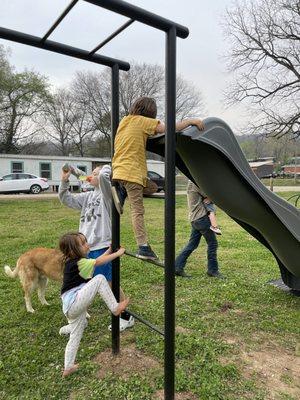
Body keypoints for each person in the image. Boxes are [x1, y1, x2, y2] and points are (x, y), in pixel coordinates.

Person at [111, 96, 205, 260]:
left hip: (118, 171)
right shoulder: (144, 122)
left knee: (152, 187)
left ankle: (121, 191)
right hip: (132, 174)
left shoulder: (125, 121)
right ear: (150, 113)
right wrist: (191, 121)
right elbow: (170, 128)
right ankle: (143, 247)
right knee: (138, 211)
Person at [59, 164, 134, 331]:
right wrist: (65, 180)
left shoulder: (108, 195)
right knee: (82, 284)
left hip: (102, 245)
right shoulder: (87, 196)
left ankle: (126, 316)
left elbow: (107, 178)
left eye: (96, 173)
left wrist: (102, 172)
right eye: (91, 173)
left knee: (108, 282)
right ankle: (77, 322)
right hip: (84, 248)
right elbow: (65, 198)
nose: (92, 176)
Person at [58, 232, 129, 377]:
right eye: (83, 244)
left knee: (76, 334)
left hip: (69, 306)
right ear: (72, 251)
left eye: (85, 241)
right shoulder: (79, 262)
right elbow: (98, 263)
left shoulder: (74, 260)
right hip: (74, 302)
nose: (87, 245)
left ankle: (68, 367)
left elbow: (96, 260)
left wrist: (109, 251)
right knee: (100, 279)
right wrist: (117, 254)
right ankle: (115, 308)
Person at [175, 180, 223, 278]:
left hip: (195, 219)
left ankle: (177, 266)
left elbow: (208, 197)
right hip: (202, 219)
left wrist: (209, 198)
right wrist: (210, 198)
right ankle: (213, 270)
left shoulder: (190, 182)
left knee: (192, 244)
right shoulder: (195, 183)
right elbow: (213, 196)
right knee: (213, 244)